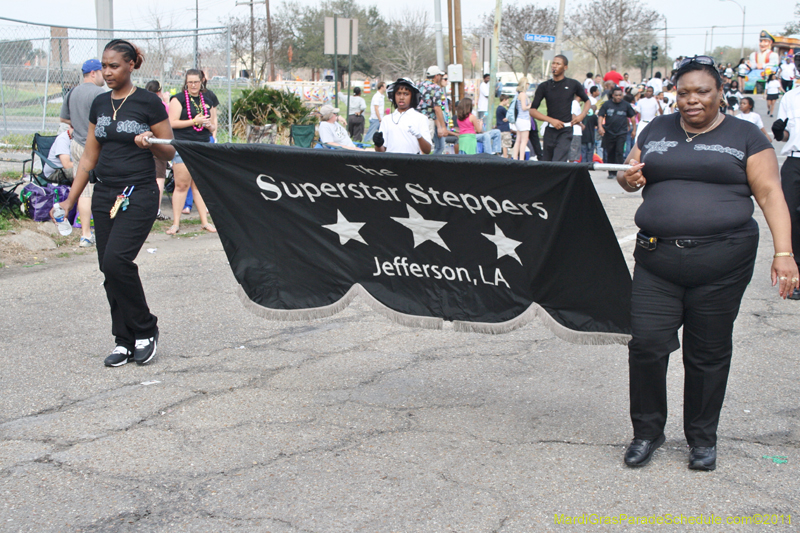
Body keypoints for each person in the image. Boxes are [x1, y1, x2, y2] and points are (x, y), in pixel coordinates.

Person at [618, 55, 798, 471]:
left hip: (722, 262)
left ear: (720, 93)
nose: (692, 100)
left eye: (702, 91)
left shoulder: (746, 135)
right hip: (656, 259)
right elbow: (629, 174)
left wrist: (784, 253)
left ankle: (701, 438)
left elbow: (770, 194)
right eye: (684, 92)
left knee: (707, 352)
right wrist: (629, 179)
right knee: (646, 345)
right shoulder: (655, 129)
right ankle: (647, 431)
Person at [51, 39, 176, 367]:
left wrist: (151, 142)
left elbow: (170, 150)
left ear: (131, 65)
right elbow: (89, 157)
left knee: (117, 261)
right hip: (105, 194)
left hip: (139, 193)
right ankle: (124, 340)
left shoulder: (148, 102)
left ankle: (145, 328)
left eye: (114, 66)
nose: (107, 72)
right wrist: (70, 200)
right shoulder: (100, 103)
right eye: (104, 66)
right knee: (108, 269)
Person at [59, 58, 106, 248]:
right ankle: (103, 231)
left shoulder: (73, 92)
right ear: (93, 73)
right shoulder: (99, 93)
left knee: (84, 191)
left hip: (76, 144)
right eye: (102, 71)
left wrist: (76, 126)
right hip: (94, 146)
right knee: (100, 189)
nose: (105, 75)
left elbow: (64, 118)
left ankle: (86, 234)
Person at [166, 69, 218, 235]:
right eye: (190, 82)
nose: (193, 85)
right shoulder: (178, 99)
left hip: (202, 145)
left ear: (201, 82)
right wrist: (193, 121)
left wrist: (209, 126)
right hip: (184, 145)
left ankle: (205, 222)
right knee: (182, 185)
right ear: (186, 83)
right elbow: (172, 123)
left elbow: (213, 125)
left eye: (196, 82)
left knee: (200, 185)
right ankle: (175, 223)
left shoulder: (207, 100)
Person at [773, 53, 800, 299]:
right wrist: (778, 132)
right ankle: (797, 277)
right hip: (794, 161)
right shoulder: (790, 97)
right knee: (792, 217)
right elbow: (785, 136)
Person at [530, 55, 590, 162]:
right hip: (550, 130)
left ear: (565, 67)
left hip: (565, 130)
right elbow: (532, 111)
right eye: (553, 63)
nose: (554, 66)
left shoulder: (573, 84)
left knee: (558, 162)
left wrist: (582, 115)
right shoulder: (544, 86)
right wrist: (551, 120)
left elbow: (587, 101)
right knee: (546, 163)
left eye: (558, 64)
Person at [374, 78, 431, 155]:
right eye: (398, 93)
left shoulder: (420, 118)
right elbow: (381, 151)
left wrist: (419, 136)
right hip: (391, 161)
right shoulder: (386, 119)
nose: (401, 97)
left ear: (412, 96)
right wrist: (378, 144)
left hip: (412, 160)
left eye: (406, 94)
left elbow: (427, 150)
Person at [144, 80, 170, 220]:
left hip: (144, 142)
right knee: (159, 177)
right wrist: (167, 102)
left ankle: (147, 208)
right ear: (159, 92)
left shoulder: (142, 103)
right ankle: (156, 210)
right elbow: (169, 120)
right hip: (158, 143)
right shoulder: (161, 105)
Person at [597, 87, 634, 178]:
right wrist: (600, 127)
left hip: (621, 132)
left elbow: (632, 117)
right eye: (616, 95)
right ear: (613, 95)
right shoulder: (606, 104)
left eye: (620, 95)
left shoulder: (626, 105)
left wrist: (634, 130)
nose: (618, 97)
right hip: (609, 132)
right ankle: (611, 173)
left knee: (619, 152)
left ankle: (619, 172)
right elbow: (601, 116)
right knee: (610, 152)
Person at [417, 66, 448, 154]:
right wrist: (443, 126)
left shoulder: (419, 85)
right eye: (440, 76)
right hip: (428, 118)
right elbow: (437, 108)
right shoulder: (435, 87)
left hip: (416, 117)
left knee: (418, 144)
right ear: (436, 76)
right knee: (425, 145)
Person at [511, 76, 531, 160]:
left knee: (518, 140)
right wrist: (529, 106)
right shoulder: (523, 95)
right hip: (524, 119)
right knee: (524, 141)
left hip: (519, 119)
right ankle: (521, 159)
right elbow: (523, 107)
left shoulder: (518, 94)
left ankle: (515, 157)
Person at [496, 94, 512, 158]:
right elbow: (508, 116)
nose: (508, 102)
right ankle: (505, 156)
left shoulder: (498, 108)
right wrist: (508, 107)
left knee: (501, 144)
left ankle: (501, 155)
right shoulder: (502, 109)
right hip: (505, 128)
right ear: (504, 100)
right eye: (507, 100)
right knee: (505, 144)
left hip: (499, 127)